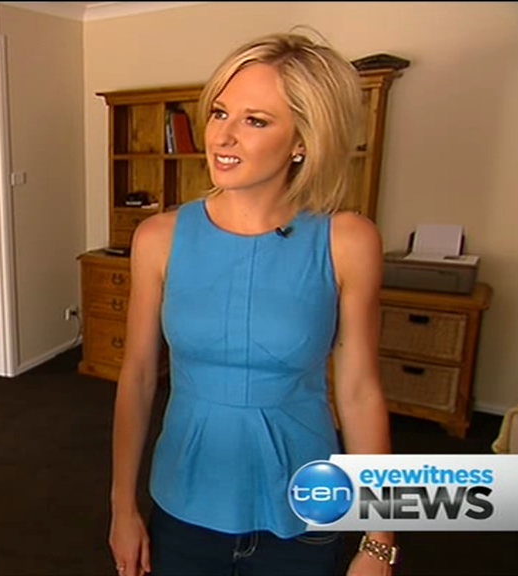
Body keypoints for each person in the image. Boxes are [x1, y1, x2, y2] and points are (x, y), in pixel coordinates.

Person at [109, 32, 396, 576]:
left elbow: (360, 392)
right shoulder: (158, 238)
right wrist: (122, 507)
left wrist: (380, 538)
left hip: (306, 507)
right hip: (184, 501)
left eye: (255, 121)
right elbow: (139, 376)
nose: (223, 135)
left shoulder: (348, 241)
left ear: (302, 141)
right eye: (220, 113)